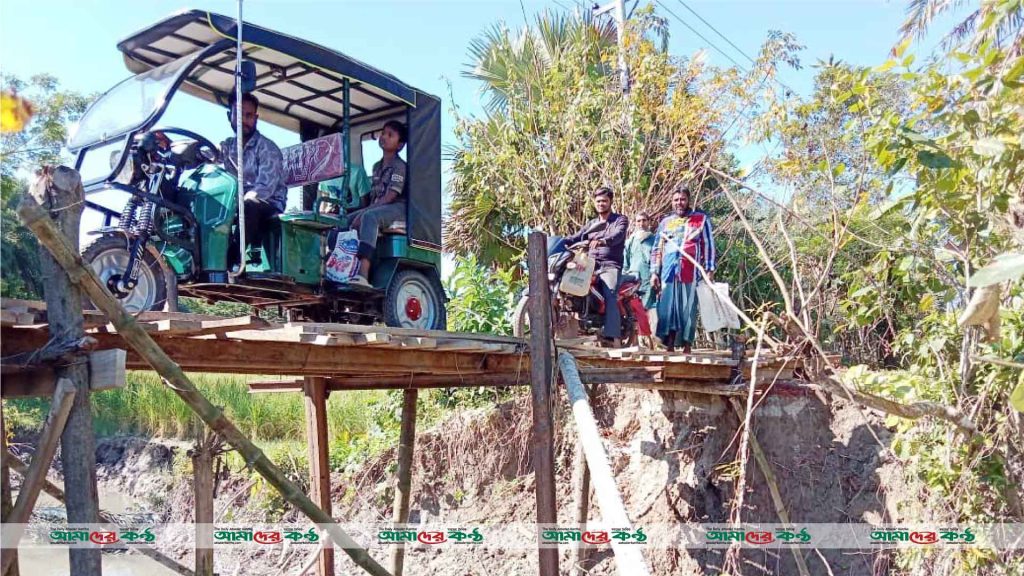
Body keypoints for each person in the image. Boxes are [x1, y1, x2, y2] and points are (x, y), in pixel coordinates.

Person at [220, 91, 287, 263]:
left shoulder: (267, 148)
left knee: (249, 205)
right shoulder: (227, 147)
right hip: (239, 204)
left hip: (267, 204)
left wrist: (237, 203)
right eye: (239, 114)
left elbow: (264, 189)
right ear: (229, 116)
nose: (244, 121)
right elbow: (205, 156)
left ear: (256, 118)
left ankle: (231, 260)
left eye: (249, 116)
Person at [651, 187, 717, 353]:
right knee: (668, 308)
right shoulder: (665, 223)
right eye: (676, 200)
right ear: (672, 202)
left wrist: (709, 268)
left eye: (682, 199)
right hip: (669, 271)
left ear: (688, 201)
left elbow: (708, 244)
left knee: (687, 309)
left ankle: (687, 344)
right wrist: (654, 272)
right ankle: (670, 344)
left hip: (690, 271)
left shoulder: (700, 219)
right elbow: (657, 248)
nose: (679, 203)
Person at [564, 186, 628, 346]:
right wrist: (559, 240)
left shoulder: (620, 220)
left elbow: (618, 235)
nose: (601, 204)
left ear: (610, 202)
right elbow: (577, 236)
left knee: (610, 293)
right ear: (594, 203)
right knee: (569, 284)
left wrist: (603, 241)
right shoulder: (591, 224)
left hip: (610, 265)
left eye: (604, 201)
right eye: (598, 201)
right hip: (590, 264)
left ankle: (615, 337)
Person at [346, 120, 408, 287]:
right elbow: (374, 198)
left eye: (390, 135)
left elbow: (390, 197)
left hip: (397, 208)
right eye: (383, 133)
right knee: (343, 220)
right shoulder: (376, 167)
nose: (384, 137)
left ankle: (363, 273)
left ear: (400, 145)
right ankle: (341, 268)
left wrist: (362, 213)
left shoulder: (400, 167)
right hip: (380, 206)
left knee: (369, 217)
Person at [624, 211, 658, 348]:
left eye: (644, 220)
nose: (641, 223)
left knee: (646, 309)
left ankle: (649, 341)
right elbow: (626, 261)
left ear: (648, 222)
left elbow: (657, 259)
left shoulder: (654, 240)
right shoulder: (630, 240)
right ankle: (636, 341)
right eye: (638, 221)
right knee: (632, 310)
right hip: (632, 280)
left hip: (648, 279)